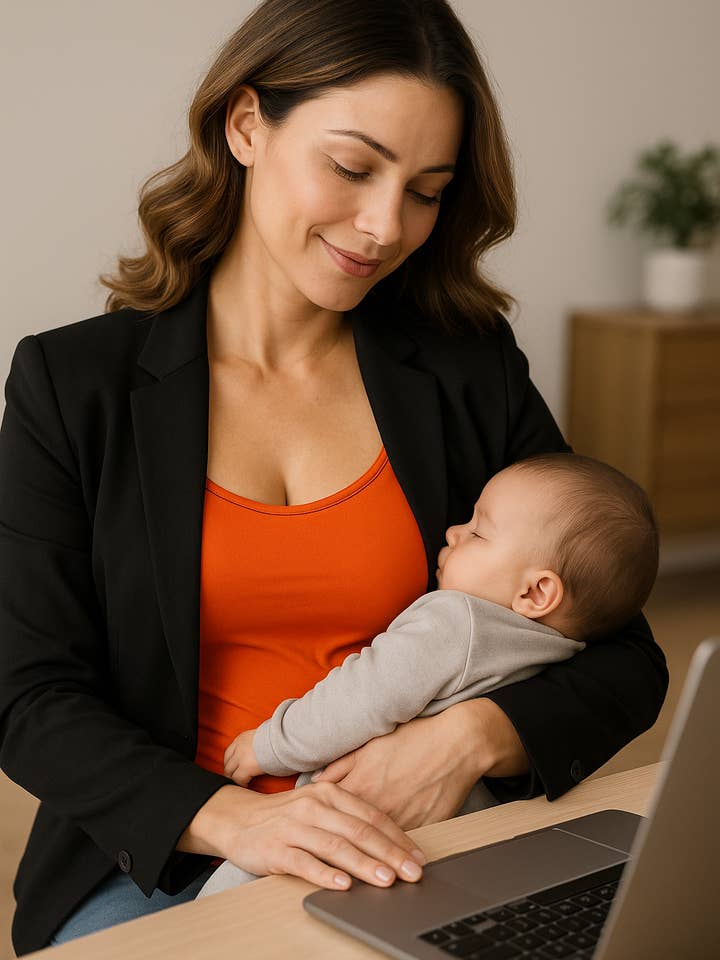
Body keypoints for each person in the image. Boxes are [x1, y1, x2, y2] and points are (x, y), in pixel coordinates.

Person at [0, 0, 668, 953]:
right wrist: (246, 821)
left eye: (428, 190)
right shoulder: (73, 384)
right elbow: (26, 695)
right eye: (352, 167)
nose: (385, 225)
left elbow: (622, 652)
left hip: (423, 841)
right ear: (244, 126)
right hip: (167, 860)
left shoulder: (465, 367)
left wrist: (466, 741)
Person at [200, 451, 659, 896]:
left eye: (478, 533)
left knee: (224, 905)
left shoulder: (454, 622)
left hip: (343, 814)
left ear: (537, 592)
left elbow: (362, 695)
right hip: (453, 841)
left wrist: (271, 745)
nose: (454, 532)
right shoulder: (562, 647)